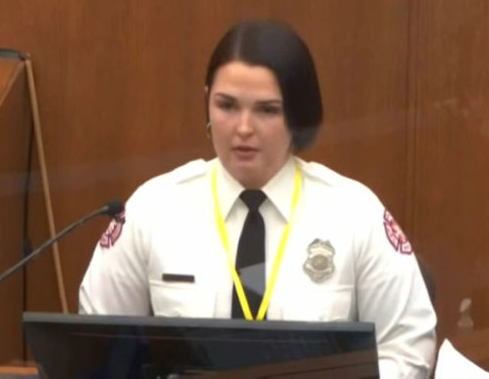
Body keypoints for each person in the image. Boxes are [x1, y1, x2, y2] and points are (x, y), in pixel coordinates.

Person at [79, 19, 437, 378]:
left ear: (298, 114)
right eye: (227, 106)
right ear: (207, 102)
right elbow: (95, 340)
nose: (243, 128)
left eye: (267, 110)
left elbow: (407, 345)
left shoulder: (353, 214)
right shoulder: (153, 209)